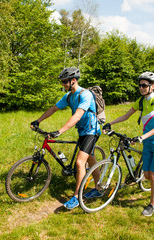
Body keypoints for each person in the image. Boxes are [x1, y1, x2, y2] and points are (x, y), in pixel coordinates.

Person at [103, 71, 154, 217]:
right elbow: (126, 116)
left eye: (144, 85)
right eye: (140, 85)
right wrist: (110, 123)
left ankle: (151, 205)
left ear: (152, 86)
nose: (141, 88)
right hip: (147, 141)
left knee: (153, 176)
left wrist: (142, 136)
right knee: (146, 175)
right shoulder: (141, 101)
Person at [30, 67, 101, 210]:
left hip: (92, 131)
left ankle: (76, 197)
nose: (63, 84)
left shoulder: (85, 94)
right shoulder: (69, 96)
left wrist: (60, 131)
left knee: (80, 163)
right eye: (62, 81)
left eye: (64, 81)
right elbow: (53, 108)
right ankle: (99, 187)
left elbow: (78, 115)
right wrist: (38, 120)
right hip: (82, 131)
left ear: (73, 80)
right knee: (90, 158)